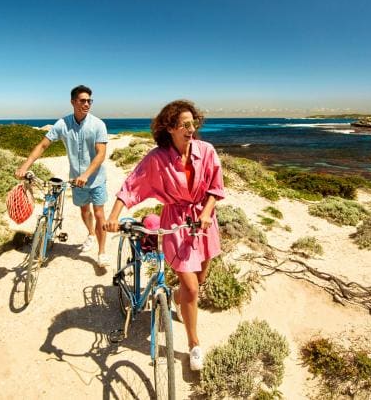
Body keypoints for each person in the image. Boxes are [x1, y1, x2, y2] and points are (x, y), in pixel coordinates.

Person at [104, 99, 225, 371]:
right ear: (169, 127)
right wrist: (113, 217)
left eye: (193, 123)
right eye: (184, 125)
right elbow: (131, 186)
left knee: (200, 279)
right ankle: (194, 345)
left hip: (204, 225)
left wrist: (206, 212)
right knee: (192, 287)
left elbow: (216, 188)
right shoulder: (157, 158)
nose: (191, 129)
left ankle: (178, 298)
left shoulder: (206, 151)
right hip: (177, 225)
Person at [15, 85, 110, 268]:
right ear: (73, 102)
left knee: (99, 214)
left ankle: (102, 252)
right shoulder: (62, 124)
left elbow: (101, 154)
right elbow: (43, 145)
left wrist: (86, 174)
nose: (87, 104)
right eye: (82, 100)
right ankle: (91, 234)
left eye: (89, 100)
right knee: (84, 210)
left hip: (96, 178)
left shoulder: (98, 124)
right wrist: (25, 166)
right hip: (76, 179)